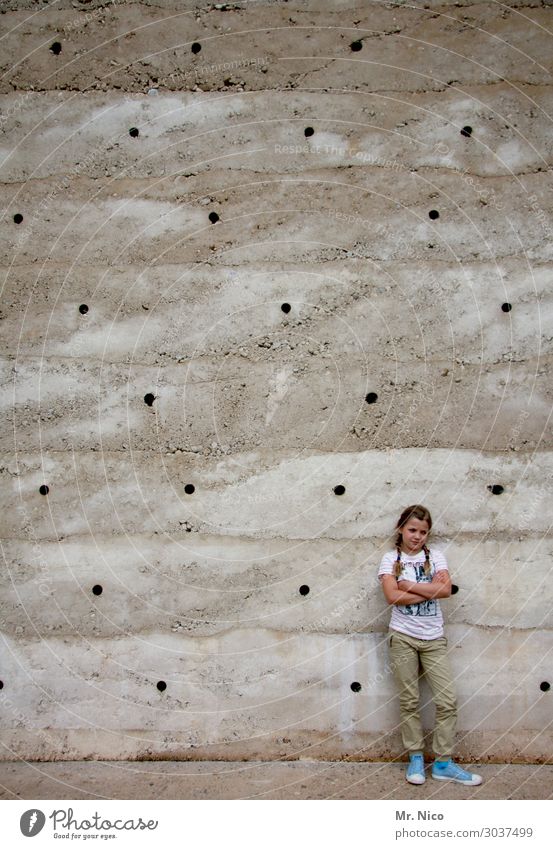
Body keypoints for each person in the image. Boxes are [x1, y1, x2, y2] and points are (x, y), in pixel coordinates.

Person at [378, 504, 482, 786]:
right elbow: (391, 597)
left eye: (423, 532)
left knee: (447, 701)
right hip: (402, 637)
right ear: (401, 529)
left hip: (433, 638)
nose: (417, 536)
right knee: (409, 700)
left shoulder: (436, 557)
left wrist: (407, 586)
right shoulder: (390, 559)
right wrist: (429, 591)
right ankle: (415, 758)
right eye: (412, 530)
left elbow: (446, 590)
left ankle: (443, 763)